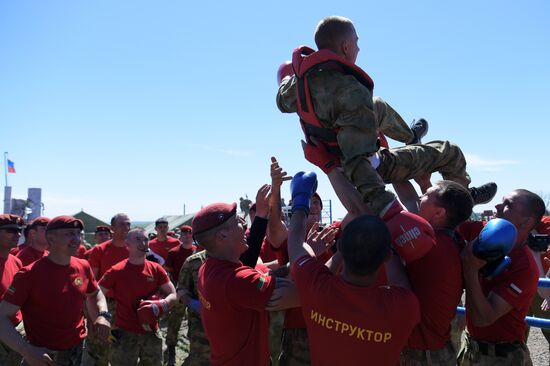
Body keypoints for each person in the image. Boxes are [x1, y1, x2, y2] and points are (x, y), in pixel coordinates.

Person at [277, 15, 497, 215]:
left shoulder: (300, 84)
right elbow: (357, 160)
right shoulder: (351, 90)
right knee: (450, 151)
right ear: (345, 46)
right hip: (370, 166)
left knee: (376, 105)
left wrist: (290, 78)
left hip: (333, 147)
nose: (358, 48)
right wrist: (386, 207)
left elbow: (281, 102)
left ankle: (410, 137)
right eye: (356, 42)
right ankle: (465, 199)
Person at [286, 171, 420, 366]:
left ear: (340, 248)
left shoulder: (316, 286)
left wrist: (300, 199)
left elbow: (296, 244)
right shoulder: (404, 307)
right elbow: (400, 281)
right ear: (386, 256)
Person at [194, 202, 299, 366]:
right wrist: (306, 254)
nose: (244, 224)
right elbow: (299, 295)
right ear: (222, 236)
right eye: (237, 221)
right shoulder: (235, 280)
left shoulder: (209, 268)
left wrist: (298, 261)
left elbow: (266, 272)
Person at [0, 215, 111, 366]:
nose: (76, 238)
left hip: (76, 350)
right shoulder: (29, 274)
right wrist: (26, 350)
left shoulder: (83, 266)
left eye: (78, 233)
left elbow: (95, 293)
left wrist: (103, 314)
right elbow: (2, 317)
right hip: (43, 356)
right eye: (69, 234)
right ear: (51, 239)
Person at [459, 189, 546, 365]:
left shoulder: (525, 268)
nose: (498, 206)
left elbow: (484, 318)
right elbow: (447, 220)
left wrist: (470, 270)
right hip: (471, 347)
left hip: (501, 356)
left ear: (526, 221)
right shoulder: (484, 232)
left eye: (508, 205)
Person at [400, 180, 474, 365]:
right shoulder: (448, 239)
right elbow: (409, 199)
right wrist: (398, 170)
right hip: (434, 349)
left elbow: (390, 209)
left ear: (440, 213)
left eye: (425, 195)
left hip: (423, 355)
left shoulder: (432, 245)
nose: (419, 197)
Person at [99, 228, 177, 366]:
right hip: (125, 333)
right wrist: (102, 316)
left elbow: (173, 294)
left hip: (151, 332)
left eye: (146, 239)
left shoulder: (156, 268)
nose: (143, 243)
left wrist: (161, 304)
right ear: (127, 245)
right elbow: (97, 293)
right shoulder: (117, 270)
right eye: (138, 239)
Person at [84, 213, 131, 366]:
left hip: (128, 304)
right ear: (112, 228)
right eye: (122, 224)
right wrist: (93, 314)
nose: (126, 228)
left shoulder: (134, 248)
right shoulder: (100, 250)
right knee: (101, 346)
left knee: (125, 346)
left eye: (128, 224)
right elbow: (91, 283)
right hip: (105, 304)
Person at [164, 225, 196, 366]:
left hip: (196, 291)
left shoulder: (198, 251)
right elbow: (168, 273)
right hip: (179, 289)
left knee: (195, 321)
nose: (187, 236)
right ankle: (171, 350)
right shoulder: (174, 252)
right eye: (184, 234)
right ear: (180, 236)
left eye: (190, 233)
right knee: (174, 321)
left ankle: (194, 351)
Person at [0, 214, 25, 366]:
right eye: (10, 230)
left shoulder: (16, 261)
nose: (17, 234)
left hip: (16, 331)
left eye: (19, 231)